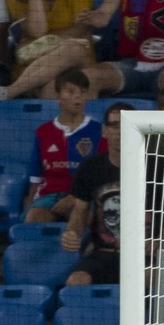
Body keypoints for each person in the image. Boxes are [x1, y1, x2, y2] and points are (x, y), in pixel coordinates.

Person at [0, 0, 96, 103]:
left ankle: (8, 93)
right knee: (51, 86)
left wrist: (44, 42)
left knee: (74, 47)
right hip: (34, 69)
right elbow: (38, 30)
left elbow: (81, 29)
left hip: (76, 60)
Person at [24, 69, 104, 224]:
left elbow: (100, 175)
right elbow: (36, 177)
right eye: (70, 91)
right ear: (58, 97)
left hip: (84, 196)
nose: (77, 96)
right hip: (49, 196)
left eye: (82, 92)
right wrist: (29, 207)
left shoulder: (99, 131)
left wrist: (75, 198)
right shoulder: (43, 132)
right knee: (34, 218)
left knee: (81, 218)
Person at [61, 102, 123, 286]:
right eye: (114, 125)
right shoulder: (90, 168)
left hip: (145, 255)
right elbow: (80, 212)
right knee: (76, 281)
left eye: (126, 125)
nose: (120, 131)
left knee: (155, 280)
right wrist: (72, 233)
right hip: (102, 253)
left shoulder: (155, 167)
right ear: (104, 131)